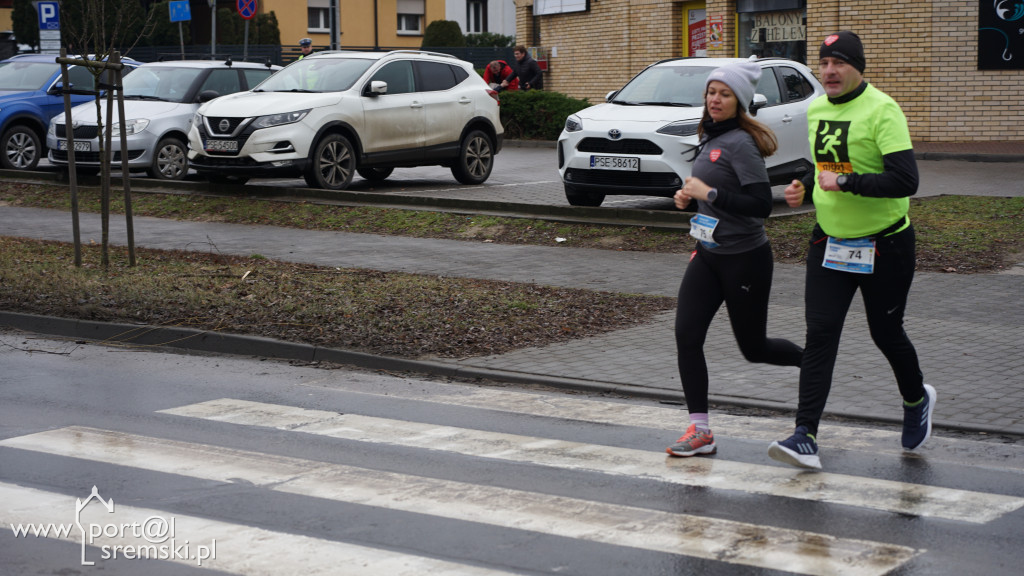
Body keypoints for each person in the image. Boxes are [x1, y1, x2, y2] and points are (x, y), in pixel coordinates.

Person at [768, 31, 935, 470]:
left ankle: (916, 398)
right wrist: (803, 186)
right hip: (830, 242)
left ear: (859, 67)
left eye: (839, 62)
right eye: (824, 63)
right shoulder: (816, 108)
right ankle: (805, 434)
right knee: (821, 334)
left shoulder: (883, 110)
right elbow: (824, 164)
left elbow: (905, 181)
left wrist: (845, 183)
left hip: (885, 244)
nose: (829, 71)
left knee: (886, 333)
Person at [666, 61, 804, 458]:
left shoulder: (742, 143)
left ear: (738, 101)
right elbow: (709, 193)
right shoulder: (709, 136)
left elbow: (761, 205)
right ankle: (701, 430)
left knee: (754, 347)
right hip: (708, 254)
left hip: (745, 259)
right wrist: (688, 199)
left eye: (724, 94)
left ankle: (813, 364)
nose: (715, 99)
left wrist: (708, 194)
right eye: (712, 92)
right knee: (687, 336)